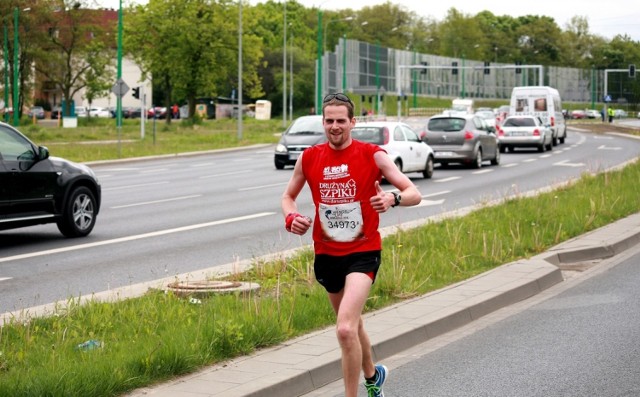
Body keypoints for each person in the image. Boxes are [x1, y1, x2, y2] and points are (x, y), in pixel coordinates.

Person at [281, 93, 422, 397]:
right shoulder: (309, 157)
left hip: (363, 252)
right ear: (323, 121)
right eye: (329, 120)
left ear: (352, 122)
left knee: (345, 329)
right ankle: (374, 378)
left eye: (340, 121)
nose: (334, 126)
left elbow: (414, 192)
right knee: (353, 325)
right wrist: (291, 216)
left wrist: (392, 198)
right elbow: (287, 196)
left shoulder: (373, 154)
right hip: (327, 253)